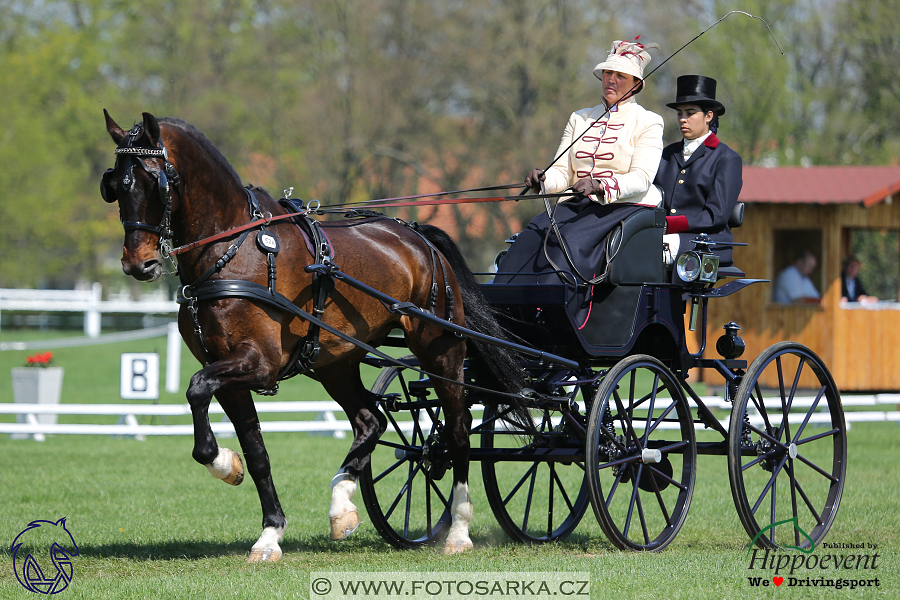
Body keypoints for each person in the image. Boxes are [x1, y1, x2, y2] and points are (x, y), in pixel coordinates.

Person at [495, 37, 664, 298]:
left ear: (636, 84)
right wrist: (543, 179)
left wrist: (599, 185)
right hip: (576, 205)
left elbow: (642, 178)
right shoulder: (579, 118)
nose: (611, 80)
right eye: (608, 72)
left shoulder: (649, 122)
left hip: (621, 207)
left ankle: (554, 306)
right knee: (531, 235)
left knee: (568, 240)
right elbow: (562, 172)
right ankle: (502, 303)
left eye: (620, 75)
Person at [653, 75, 743, 266]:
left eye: (690, 113)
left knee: (649, 249)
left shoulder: (727, 159)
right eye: (680, 113)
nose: (682, 119)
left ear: (708, 116)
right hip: (664, 237)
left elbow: (716, 216)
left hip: (707, 242)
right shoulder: (666, 154)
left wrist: (669, 224)